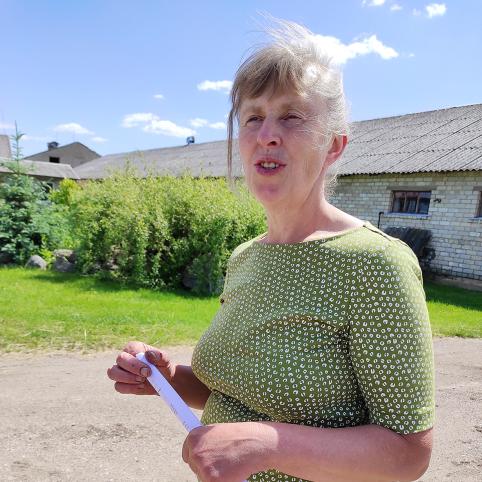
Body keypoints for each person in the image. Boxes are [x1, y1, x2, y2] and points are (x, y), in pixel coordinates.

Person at [107, 19, 435, 482]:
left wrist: (265, 446)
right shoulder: (245, 257)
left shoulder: (376, 264)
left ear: (334, 146)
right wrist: (162, 377)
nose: (267, 135)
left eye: (292, 116)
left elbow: (408, 453)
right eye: (253, 117)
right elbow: (235, 392)